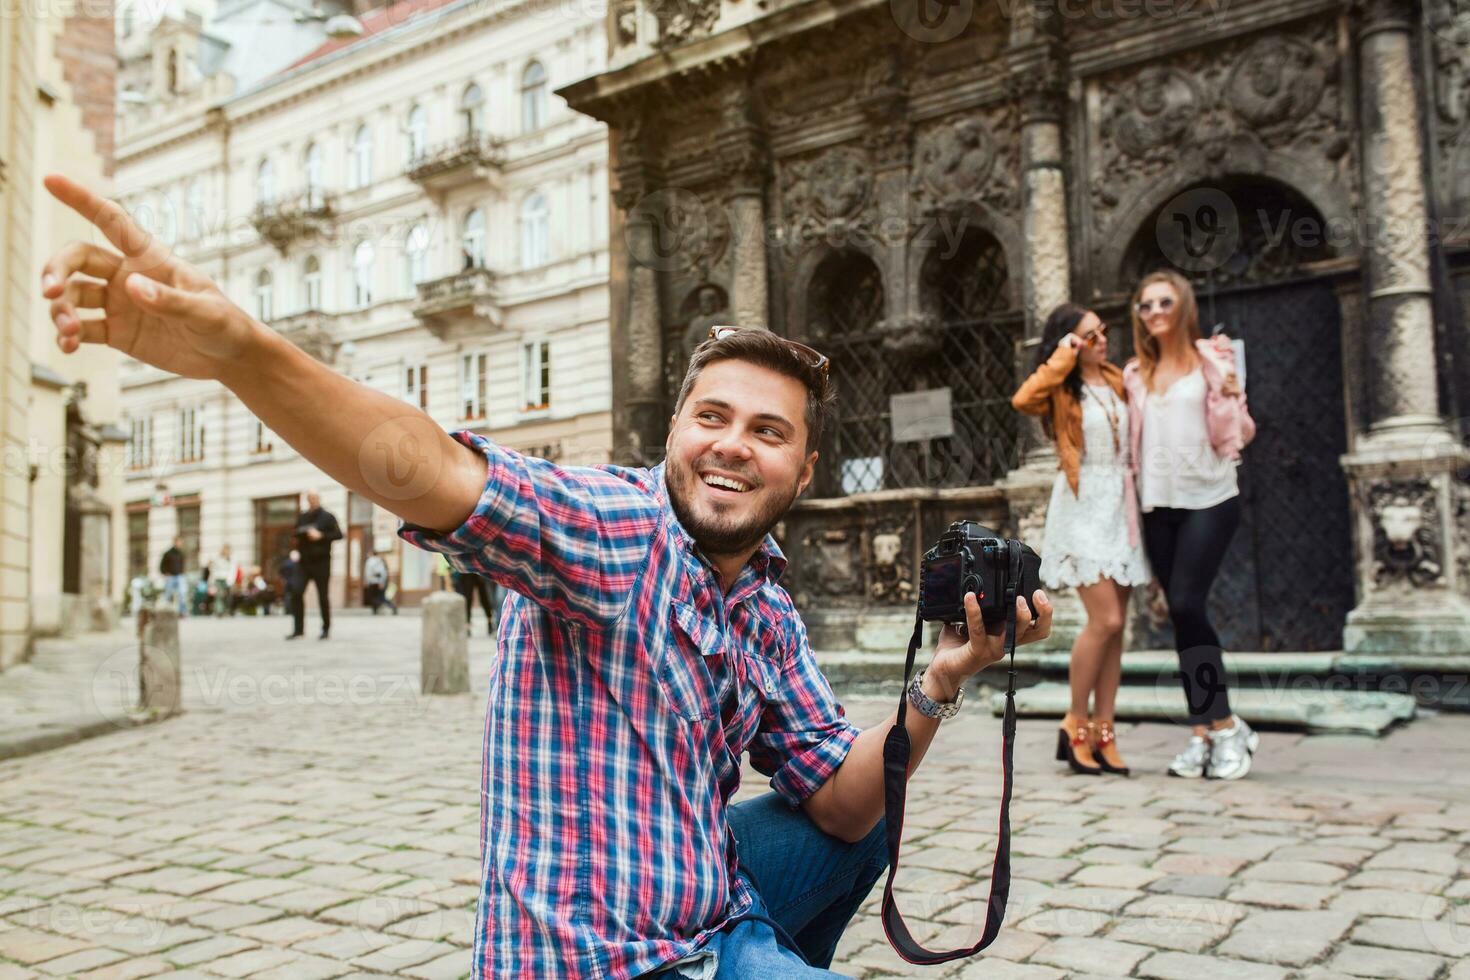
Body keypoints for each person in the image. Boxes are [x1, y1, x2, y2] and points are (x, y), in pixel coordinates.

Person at [39, 174, 1053, 980]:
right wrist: (243, 353)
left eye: (767, 430)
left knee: (872, 822)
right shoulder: (611, 527)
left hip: (708, 906)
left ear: (805, 468)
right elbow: (429, 467)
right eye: (711, 417)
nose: (732, 446)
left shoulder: (765, 608)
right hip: (599, 958)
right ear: (672, 433)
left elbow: (838, 804)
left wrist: (946, 675)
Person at [1122, 269, 1258, 780]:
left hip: (1211, 496)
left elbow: (1243, 431)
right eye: (1145, 305)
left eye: (1164, 303)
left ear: (1182, 307)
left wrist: (1229, 392)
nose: (1155, 312)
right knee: (1181, 618)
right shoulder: (1136, 373)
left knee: (1186, 603)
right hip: (1159, 505)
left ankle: (1225, 726)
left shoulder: (1213, 359)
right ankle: (1202, 733)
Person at [1013, 304, 1150, 776]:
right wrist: (1062, 358)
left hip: (1121, 503)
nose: (1102, 340)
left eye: (1103, 331)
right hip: (1082, 501)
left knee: (1118, 629)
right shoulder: (1061, 388)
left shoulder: (1117, 378)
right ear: (1071, 343)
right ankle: (1075, 722)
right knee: (1104, 618)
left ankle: (1104, 730)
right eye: (1090, 335)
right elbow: (1023, 400)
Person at [295, 491, 342, 639]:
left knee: (323, 596)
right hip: (304, 562)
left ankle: (326, 629)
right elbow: (295, 533)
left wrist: (321, 535)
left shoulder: (328, 517)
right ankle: (299, 630)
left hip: (322, 562)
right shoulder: (302, 517)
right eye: (310, 498)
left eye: (314, 498)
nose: (312, 501)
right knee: (296, 592)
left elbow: (339, 535)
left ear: (319, 499)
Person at [454, 568, 494, 634]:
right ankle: (467, 624)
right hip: (468, 570)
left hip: (479, 569)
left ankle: (490, 622)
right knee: (468, 598)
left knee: (484, 598)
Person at [278, 548, 307, 638]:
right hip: (291, 585)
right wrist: (285, 580)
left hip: (296, 585)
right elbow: (281, 572)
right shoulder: (288, 563)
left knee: (293, 600)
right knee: (290, 599)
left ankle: (298, 629)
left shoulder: (300, 563)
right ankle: (288, 611)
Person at [159, 537, 187, 616]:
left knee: (182, 594)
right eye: (179, 542)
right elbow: (162, 565)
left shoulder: (181, 553)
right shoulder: (168, 553)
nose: (180, 544)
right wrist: (165, 573)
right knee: (168, 594)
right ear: (175, 542)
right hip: (170, 577)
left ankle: (182, 612)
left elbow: (182, 564)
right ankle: (166, 612)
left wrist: (183, 572)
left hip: (180, 576)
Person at [209, 544, 238, 617]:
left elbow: (233, 571)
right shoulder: (217, 558)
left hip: (227, 579)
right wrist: (212, 580)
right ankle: (219, 611)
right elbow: (213, 569)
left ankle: (226, 610)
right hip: (218, 578)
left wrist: (231, 580)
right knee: (219, 595)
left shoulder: (231, 559)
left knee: (228, 596)